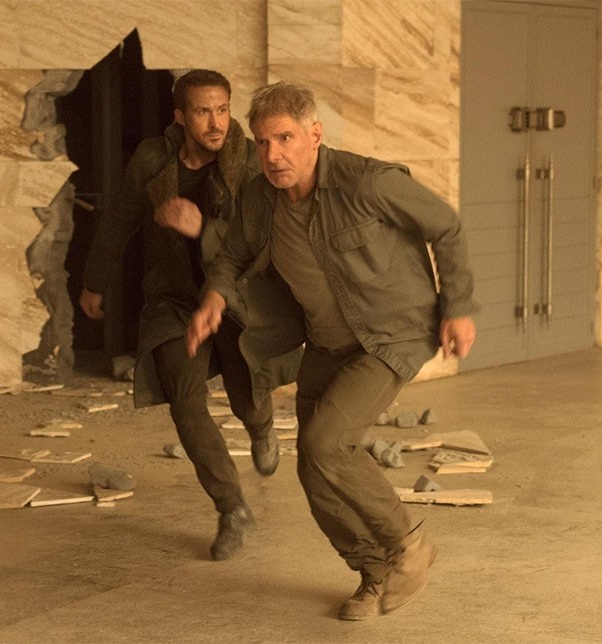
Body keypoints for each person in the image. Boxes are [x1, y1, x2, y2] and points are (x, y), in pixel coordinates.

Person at [187, 82, 477, 619]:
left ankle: (409, 544)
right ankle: (373, 572)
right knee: (312, 465)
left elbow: (446, 226)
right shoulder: (260, 198)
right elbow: (231, 256)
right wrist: (214, 296)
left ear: (315, 135)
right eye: (262, 142)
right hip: (325, 339)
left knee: (327, 443)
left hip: (390, 334)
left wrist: (457, 306)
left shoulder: (367, 182)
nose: (273, 155)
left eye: (285, 138)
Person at [80, 69, 294, 561]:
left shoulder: (252, 161)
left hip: (237, 298)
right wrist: (94, 281)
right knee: (184, 399)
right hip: (174, 300)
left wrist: (204, 229)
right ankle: (231, 507)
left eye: (223, 110)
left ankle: (261, 424)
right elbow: (119, 218)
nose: (216, 123)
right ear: (180, 116)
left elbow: (265, 239)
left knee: (247, 398)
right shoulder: (152, 159)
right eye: (202, 112)